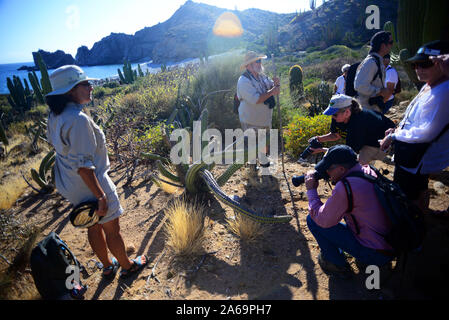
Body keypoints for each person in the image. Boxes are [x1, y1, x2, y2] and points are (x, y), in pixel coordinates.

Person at [46, 65, 148, 280]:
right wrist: (101, 196)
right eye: (85, 84)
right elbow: (84, 165)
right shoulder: (77, 120)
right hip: (90, 183)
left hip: (71, 184)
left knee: (93, 224)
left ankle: (107, 266)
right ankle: (128, 266)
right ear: (70, 90)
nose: (91, 87)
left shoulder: (56, 116)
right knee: (111, 228)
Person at [380, 40, 449, 214]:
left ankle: (413, 227)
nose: (418, 68)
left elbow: (427, 132)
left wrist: (394, 136)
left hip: (418, 156)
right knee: (418, 187)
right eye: (416, 64)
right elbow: (416, 118)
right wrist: (396, 131)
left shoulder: (444, 92)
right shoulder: (431, 85)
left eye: (425, 64)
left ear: (442, 63)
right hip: (412, 153)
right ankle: (420, 220)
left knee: (408, 195)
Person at [305, 145, 394, 277]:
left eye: (329, 169)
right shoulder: (368, 170)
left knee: (312, 220)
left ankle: (335, 264)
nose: (327, 173)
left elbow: (323, 220)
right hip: (389, 243)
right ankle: (370, 260)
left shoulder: (346, 187)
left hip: (374, 253)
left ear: (341, 169)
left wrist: (311, 190)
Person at [308, 94, 395, 165]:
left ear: (347, 112)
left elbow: (348, 152)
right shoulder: (338, 117)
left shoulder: (358, 123)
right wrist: (318, 139)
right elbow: (336, 135)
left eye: (334, 114)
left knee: (355, 165)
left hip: (381, 142)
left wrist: (323, 150)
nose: (332, 117)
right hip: (366, 138)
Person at [237, 51, 280, 185]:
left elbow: (270, 86)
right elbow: (256, 99)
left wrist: (275, 84)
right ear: (249, 65)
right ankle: (252, 169)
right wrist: (273, 91)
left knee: (264, 142)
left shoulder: (261, 77)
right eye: (257, 61)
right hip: (250, 119)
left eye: (260, 61)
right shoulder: (243, 80)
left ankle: (264, 165)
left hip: (264, 118)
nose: (260, 63)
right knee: (251, 143)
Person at [354, 31, 394, 113]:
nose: (392, 45)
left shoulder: (377, 61)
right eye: (391, 42)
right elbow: (359, 86)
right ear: (383, 46)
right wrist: (380, 91)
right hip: (367, 111)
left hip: (372, 109)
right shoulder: (371, 62)